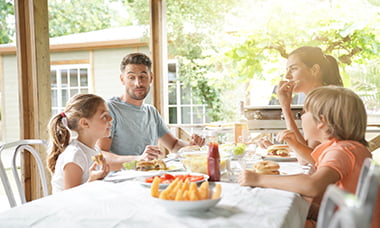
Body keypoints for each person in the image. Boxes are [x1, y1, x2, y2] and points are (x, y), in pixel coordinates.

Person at [239, 86, 378, 228]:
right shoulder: (351, 148)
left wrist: (258, 178)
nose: (302, 117)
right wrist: (294, 144)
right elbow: (314, 161)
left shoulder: (342, 151)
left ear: (321, 122)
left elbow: (313, 185)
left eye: (303, 113)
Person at [97, 53, 205, 170]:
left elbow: (174, 145)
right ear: (122, 79)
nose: (138, 83)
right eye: (131, 77)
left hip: (150, 180)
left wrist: (191, 147)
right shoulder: (110, 109)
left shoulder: (151, 112)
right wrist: (139, 159)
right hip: (120, 183)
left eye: (143, 77)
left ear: (151, 78)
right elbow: (101, 155)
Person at [257, 46, 343, 164]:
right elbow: (310, 149)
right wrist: (275, 148)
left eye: (293, 69)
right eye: (287, 70)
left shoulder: (327, 101)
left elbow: (305, 160)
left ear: (314, 70)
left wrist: (285, 107)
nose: (287, 76)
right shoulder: (317, 99)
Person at [47, 94, 111, 193]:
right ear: (85, 123)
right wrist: (92, 181)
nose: (111, 119)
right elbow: (71, 198)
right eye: (104, 116)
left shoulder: (95, 149)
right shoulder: (75, 155)